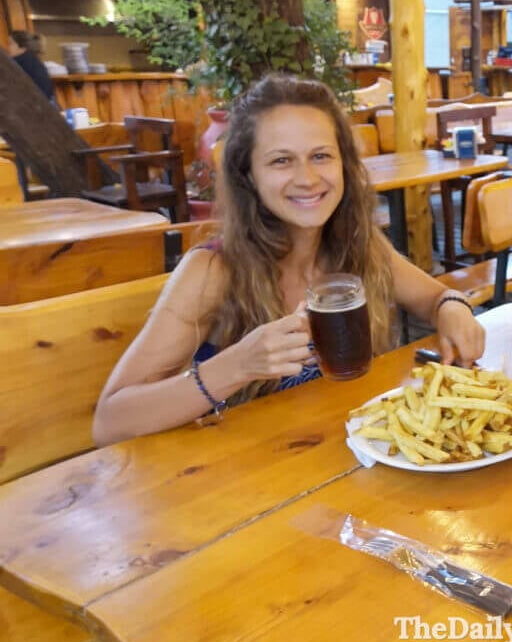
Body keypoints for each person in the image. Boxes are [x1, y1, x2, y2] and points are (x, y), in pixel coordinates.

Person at [93, 74, 485, 446]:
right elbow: (110, 421)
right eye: (281, 160)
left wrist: (453, 309)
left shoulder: (357, 244)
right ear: (248, 176)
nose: (308, 178)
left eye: (320, 156)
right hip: (250, 483)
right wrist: (237, 366)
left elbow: (436, 298)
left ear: (344, 165)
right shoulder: (212, 270)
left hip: (350, 455)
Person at [7, 30, 56, 104]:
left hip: (37, 106)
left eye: (10, 44)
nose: (8, 47)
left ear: (22, 47)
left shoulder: (17, 62)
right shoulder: (32, 59)